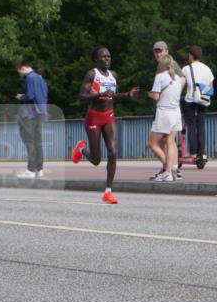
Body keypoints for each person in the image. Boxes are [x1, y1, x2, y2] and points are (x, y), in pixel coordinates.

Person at [73, 46, 139, 204]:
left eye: (109, 56)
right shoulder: (92, 74)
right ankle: (81, 149)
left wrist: (127, 95)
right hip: (94, 117)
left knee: (113, 152)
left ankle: (108, 192)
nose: (107, 59)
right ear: (96, 59)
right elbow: (82, 96)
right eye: (103, 57)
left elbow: (113, 96)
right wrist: (98, 95)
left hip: (109, 116)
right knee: (96, 160)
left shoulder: (113, 75)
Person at [147, 54, 185, 182]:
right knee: (170, 142)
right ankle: (172, 170)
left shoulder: (160, 77)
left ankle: (166, 169)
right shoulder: (178, 79)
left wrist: (149, 94)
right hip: (176, 113)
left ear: (161, 65)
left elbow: (156, 97)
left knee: (152, 144)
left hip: (164, 113)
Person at [15, 61, 49, 179]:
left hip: (31, 114)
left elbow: (30, 96)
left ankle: (30, 170)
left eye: (19, 71)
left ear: (23, 68)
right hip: (41, 112)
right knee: (38, 143)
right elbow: (45, 94)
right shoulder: (40, 78)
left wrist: (21, 96)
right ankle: (40, 170)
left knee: (30, 142)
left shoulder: (29, 77)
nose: (20, 74)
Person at [182, 45, 214, 164]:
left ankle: (194, 152)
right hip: (203, 100)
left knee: (191, 126)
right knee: (201, 125)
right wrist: (203, 95)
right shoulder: (207, 68)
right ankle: (201, 152)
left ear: (191, 55)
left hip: (190, 99)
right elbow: (211, 87)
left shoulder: (186, 68)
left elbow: (181, 84)